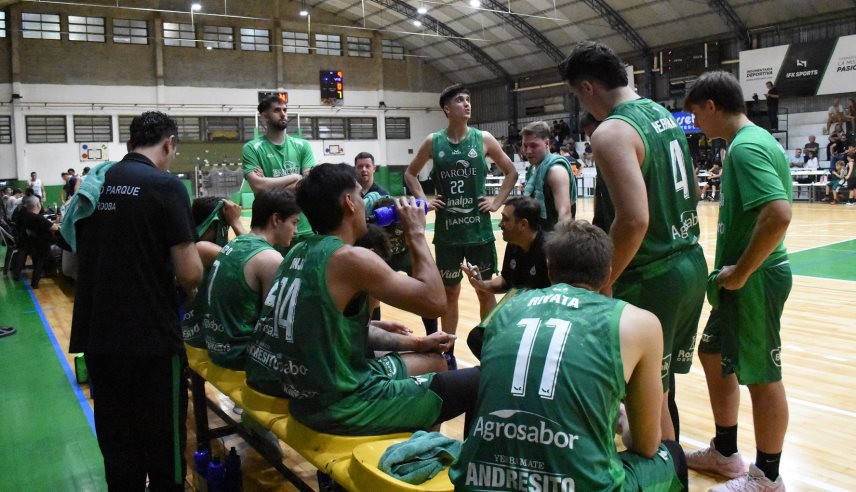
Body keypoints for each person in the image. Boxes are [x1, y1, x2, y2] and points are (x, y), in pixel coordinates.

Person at [450, 219, 687, 492]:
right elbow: (645, 445)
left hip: (477, 482)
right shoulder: (641, 323)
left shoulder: (508, 306)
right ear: (609, 273)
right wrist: (621, 420)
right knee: (672, 454)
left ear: (549, 268)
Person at [244, 163, 481, 435]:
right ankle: (430, 455)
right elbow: (436, 302)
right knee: (478, 381)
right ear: (349, 203)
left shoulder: (297, 251)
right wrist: (415, 231)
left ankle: (420, 447)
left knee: (434, 361)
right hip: (343, 405)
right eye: (359, 195)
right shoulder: (349, 259)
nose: (364, 201)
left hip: (305, 394)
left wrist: (416, 341)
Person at [560, 41, 707, 442]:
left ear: (588, 87)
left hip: (651, 273)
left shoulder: (611, 132)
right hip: (689, 262)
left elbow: (634, 220)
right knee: (661, 387)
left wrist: (604, 280)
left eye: (576, 95)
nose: (580, 103)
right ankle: (667, 459)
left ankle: (663, 474)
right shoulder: (662, 113)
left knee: (648, 393)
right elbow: (692, 190)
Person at [69, 111, 203, 491]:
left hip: (99, 338)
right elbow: (190, 272)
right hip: (152, 342)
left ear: (130, 144)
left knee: (119, 451)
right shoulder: (166, 186)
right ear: (168, 143)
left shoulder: (94, 183)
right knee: (164, 455)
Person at [684, 70, 792, 492]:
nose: (696, 126)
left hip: (756, 279)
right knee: (712, 353)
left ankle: (767, 476)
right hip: (740, 281)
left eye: (696, 115)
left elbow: (779, 214)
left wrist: (741, 272)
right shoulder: (750, 143)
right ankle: (726, 453)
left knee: (762, 375)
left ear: (712, 106)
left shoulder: (746, 149)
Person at [404, 83, 518, 369]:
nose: (467, 104)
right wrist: (424, 202)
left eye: (468, 100)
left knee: (484, 290)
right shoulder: (434, 141)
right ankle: (449, 350)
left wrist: (496, 203)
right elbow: (410, 173)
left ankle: (489, 347)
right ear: (447, 108)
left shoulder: (484, 138)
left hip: (478, 231)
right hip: (447, 234)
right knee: (450, 293)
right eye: (460, 100)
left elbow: (511, 172)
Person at [204, 188, 300, 370]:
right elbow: (275, 324)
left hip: (215, 347)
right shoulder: (270, 258)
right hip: (239, 355)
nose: (295, 231)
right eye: (294, 222)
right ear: (276, 219)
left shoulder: (234, 243)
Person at [461, 196, 550, 360]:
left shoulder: (549, 251)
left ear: (523, 224)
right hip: (518, 309)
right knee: (477, 339)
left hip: (542, 318)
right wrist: (481, 284)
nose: (500, 224)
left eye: (505, 219)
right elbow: (506, 281)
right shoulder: (514, 244)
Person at [242, 94, 315, 242]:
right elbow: (257, 185)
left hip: (304, 226)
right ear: (264, 116)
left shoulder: (303, 146)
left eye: (285, 110)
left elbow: (308, 184)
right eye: (276, 110)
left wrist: (267, 189)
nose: (283, 114)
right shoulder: (252, 148)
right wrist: (295, 177)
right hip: (270, 230)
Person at [519, 121, 577, 225]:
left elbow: (565, 214)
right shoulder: (533, 168)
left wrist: (560, 240)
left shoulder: (556, 170)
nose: (527, 151)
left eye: (533, 146)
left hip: (552, 236)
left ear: (546, 143)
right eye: (525, 146)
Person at [13, 195, 60, 288]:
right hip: (42, 246)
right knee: (60, 243)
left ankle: (46, 273)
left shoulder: (27, 216)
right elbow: (55, 228)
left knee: (41, 259)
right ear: (38, 205)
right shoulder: (38, 218)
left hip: (32, 245)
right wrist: (57, 221)